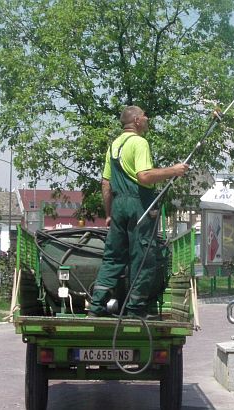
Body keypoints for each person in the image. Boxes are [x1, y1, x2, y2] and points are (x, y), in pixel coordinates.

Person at [88, 105, 189, 318]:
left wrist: (109, 213)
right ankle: (134, 310)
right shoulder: (139, 142)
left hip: (118, 206)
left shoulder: (114, 146)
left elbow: (105, 184)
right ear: (136, 121)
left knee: (113, 258)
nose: (147, 117)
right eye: (144, 115)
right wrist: (174, 170)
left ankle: (96, 307)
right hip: (139, 205)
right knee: (143, 257)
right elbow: (143, 176)